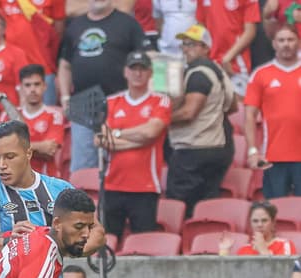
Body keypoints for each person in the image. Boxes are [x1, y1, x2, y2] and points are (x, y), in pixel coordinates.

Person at [0, 120, 104, 256]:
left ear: (28, 153)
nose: (2, 165)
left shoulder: (59, 189)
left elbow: (97, 232)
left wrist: (60, 247)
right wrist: (12, 241)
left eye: (10, 157)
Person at [58, 0, 145, 173]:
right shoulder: (75, 26)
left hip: (118, 102)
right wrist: (65, 97)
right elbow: (64, 65)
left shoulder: (129, 24)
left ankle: (112, 200)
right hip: (81, 103)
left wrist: (137, 99)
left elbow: (144, 63)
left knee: (118, 164)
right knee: (82, 167)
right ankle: (84, 201)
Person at [95, 51, 171, 240]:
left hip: (145, 186)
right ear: (125, 72)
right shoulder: (112, 102)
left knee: (143, 243)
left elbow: (151, 132)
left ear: (150, 73)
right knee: (107, 242)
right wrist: (140, 141)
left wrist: (117, 133)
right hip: (113, 184)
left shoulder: (160, 100)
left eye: (142, 69)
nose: (138, 73)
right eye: (134, 68)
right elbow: (100, 138)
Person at [167, 24, 237, 218]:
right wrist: (213, 113)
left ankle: (184, 247)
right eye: (184, 44)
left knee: (181, 206)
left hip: (194, 147)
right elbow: (232, 107)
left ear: (206, 48)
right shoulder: (219, 71)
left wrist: (161, 120)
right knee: (206, 207)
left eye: (192, 44)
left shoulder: (197, 73)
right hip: (218, 146)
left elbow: (189, 113)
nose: (186, 49)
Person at [245, 25, 301, 199]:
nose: (286, 44)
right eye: (281, 40)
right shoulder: (260, 74)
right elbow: (249, 116)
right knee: (276, 211)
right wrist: (253, 152)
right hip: (273, 156)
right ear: (274, 44)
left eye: (290, 40)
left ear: (298, 42)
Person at [196, 0, 259, 91]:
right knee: (213, 104)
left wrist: (228, 57)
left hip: (235, 66)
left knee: (237, 103)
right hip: (210, 64)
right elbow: (201, 28)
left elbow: (250, 31)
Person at [18, 64, 65, 179]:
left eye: (37, 84)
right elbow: (1, 148)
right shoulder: (7, 115)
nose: (33, 89)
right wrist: (38, 147)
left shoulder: (54, 115)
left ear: (45, 86)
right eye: (28, 85)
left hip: (45, 179)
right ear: (21, 88)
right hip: (18, 179)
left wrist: (17, 148)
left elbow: (50, 151)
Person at [220, 202, 298, 255]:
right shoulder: (244, 250)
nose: (259, 225)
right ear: (250, 223)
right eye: (255, 221)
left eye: (264, 220)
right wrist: (224, 251)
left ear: (273, 222)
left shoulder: (285, 245)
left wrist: (263, 250)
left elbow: (285, 274)